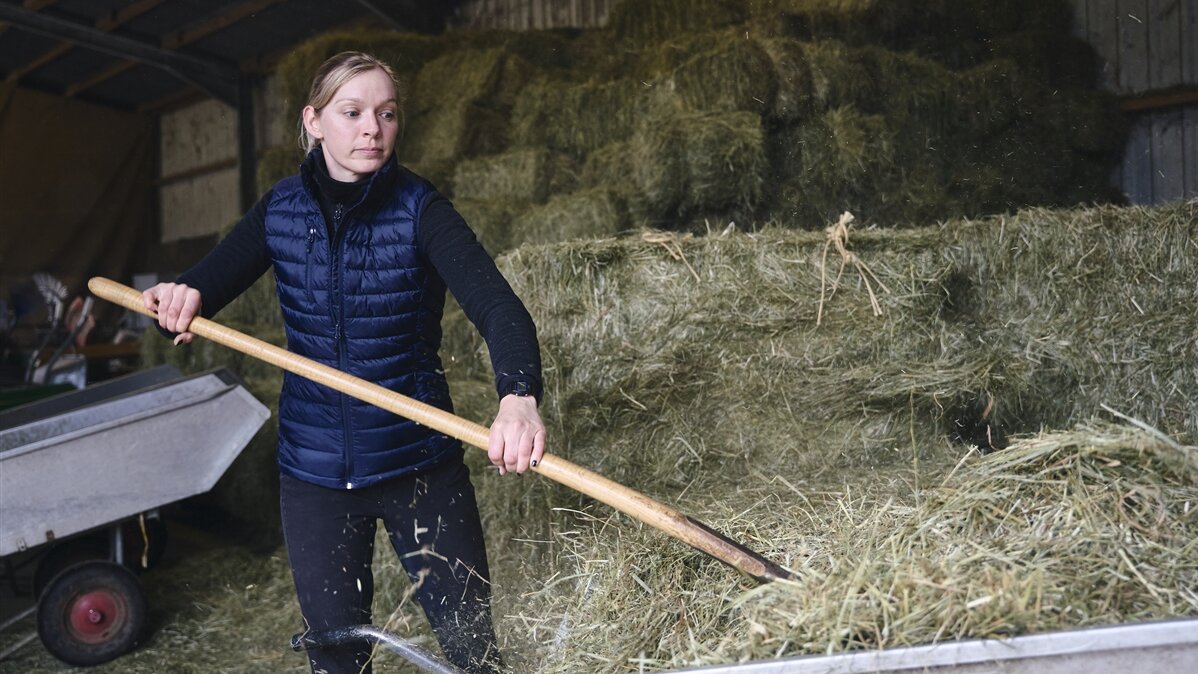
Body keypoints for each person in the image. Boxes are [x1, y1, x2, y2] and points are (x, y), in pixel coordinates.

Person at [143, 51, 545, 674]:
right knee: (336, 661)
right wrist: (180, 293)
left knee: (473, 652)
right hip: (315, 477)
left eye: (385, 114)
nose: (372, 130)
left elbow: (499, 308)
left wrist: (518, 395)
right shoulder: (281, 210)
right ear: (313, 121)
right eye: (352, 112)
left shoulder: (420, 209)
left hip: (419, 468)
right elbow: (207, 281)